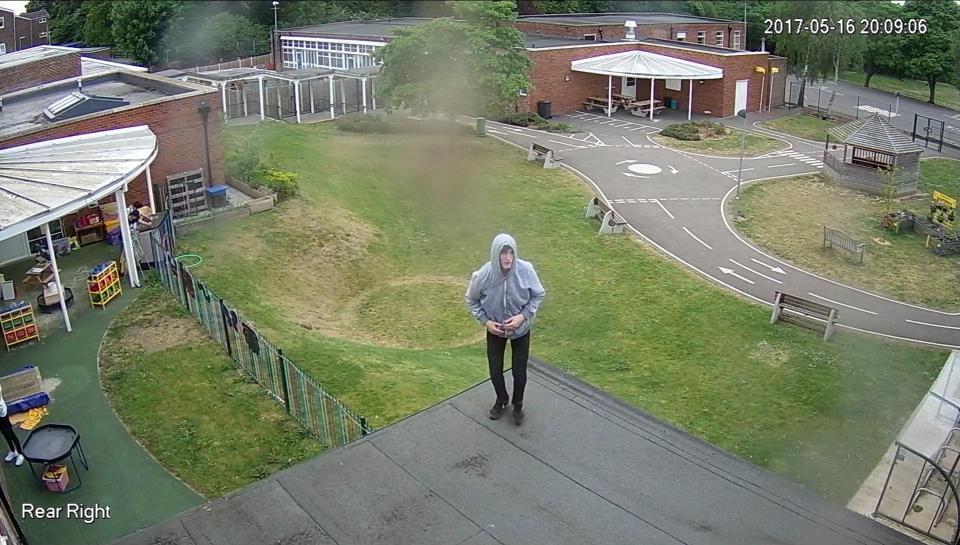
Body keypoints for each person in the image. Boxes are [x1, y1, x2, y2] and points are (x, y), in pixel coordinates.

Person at [465, 233, 545, 425]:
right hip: (495, 330)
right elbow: (471, 299)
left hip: (521, 329)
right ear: (496, 255)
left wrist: (522, 317)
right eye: (503, 253)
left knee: (519, 371)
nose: (508, 257)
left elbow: (538, 295)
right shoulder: (484, 275)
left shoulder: (526, 270)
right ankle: (501, 400)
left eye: (511, 252)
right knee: (495, 368)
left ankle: (518, 404)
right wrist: (486, 322)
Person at [0, 386, 24, 466]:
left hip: (2, 414)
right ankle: (13, 451)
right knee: (5, 434)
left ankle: (20, 454)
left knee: (10, 433)